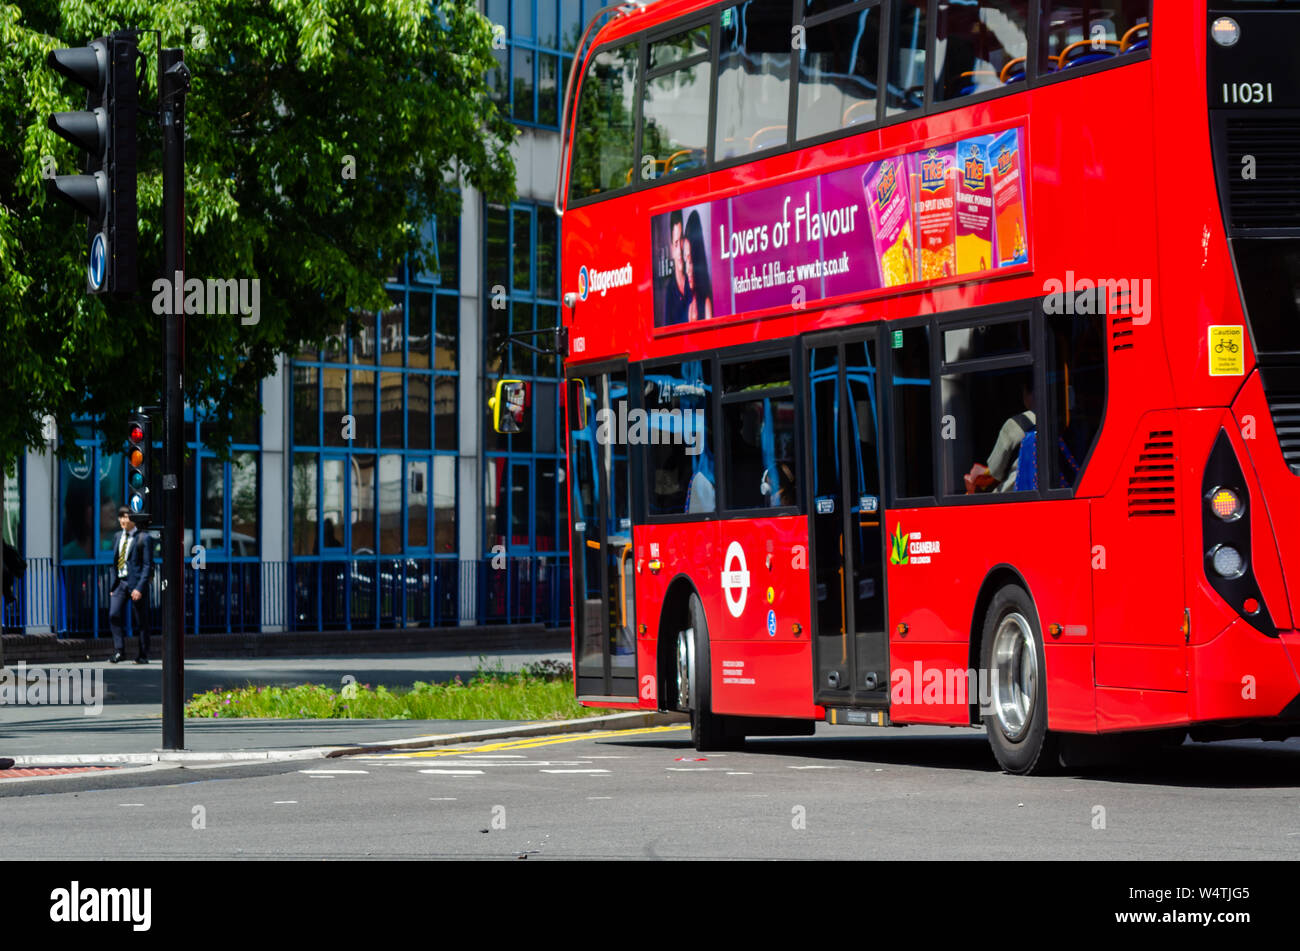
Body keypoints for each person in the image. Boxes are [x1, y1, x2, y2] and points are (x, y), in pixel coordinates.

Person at [966, 381, 1036, 493]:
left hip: (1014, 497)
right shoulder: (1060, 421)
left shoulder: (1017, 424)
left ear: (1026, 392)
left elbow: (995, 472)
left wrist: (977, 475)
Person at [108, 507, 153, 663]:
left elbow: (148, 565)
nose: (122, 520)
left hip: (136, 584)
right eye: (120, 517)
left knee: (141, 620)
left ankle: (143, 654)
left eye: (125, 517)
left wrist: (139, 588)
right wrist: (113, 586)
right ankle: (119, 651)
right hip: (120, 583)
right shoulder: (117, 536)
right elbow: (113, 562)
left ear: (133, 519)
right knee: (113, 614)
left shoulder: (143, 538)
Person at [660, 210, 693, 327]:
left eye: (681, 241)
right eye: (675, 243)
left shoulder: (692, 280)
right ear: (671, 249)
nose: (679, 250)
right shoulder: (669, 291)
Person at [683, 210, 713, 322]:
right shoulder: (686, 301)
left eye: (690, 262)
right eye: (685, 260)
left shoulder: (706, 304)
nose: (687, 270)